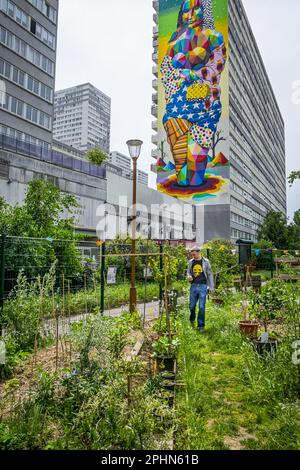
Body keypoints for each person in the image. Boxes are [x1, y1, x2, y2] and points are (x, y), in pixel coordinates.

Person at [161, 0, 227, 187]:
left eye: (195, 9)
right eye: (185, 11)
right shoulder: (175, 38)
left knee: (196, 167)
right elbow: (166, 69)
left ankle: (196, 201)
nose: (189, 15)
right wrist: (178, 76)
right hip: (177, 104)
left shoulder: (214, 36)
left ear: (204, 10)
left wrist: (194, 74)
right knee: (182, 172)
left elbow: (216, 67)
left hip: (205, 105)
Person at [187, 246, 214, 331]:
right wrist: (189, 276)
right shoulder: (191, 262)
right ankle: (192, 317)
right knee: (191, 306)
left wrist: (211, 287)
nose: (193, 256)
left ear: (199, 252)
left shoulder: (206, 262)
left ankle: (201, 325)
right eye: (192, 254)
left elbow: (209, 274)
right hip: (194, 286)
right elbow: (188, 272)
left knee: (202, 306)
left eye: (194, 254)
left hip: (203, 286)